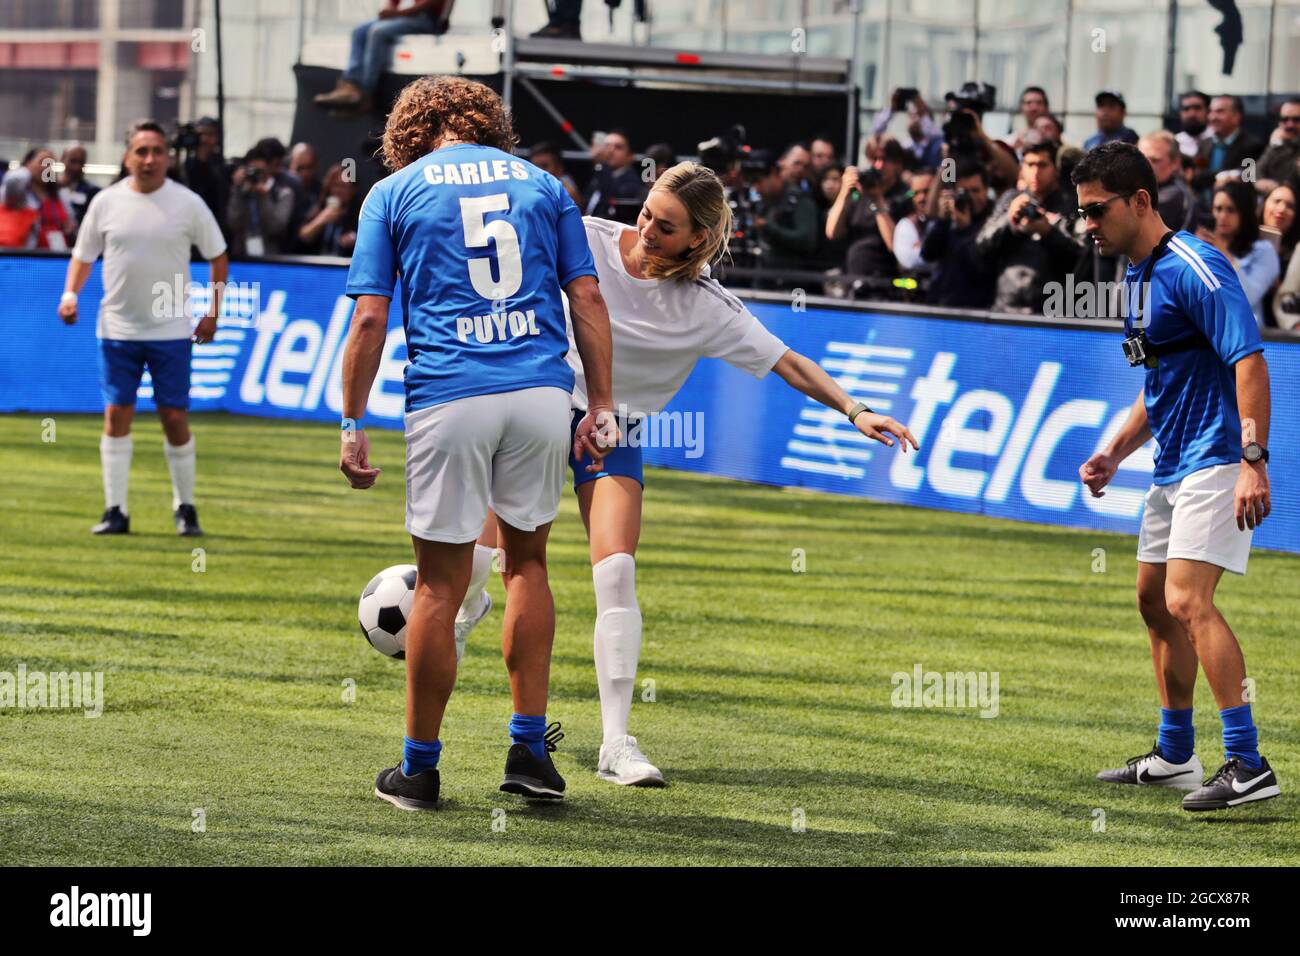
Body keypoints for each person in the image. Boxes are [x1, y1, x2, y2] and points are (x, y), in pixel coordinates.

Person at [456, 163, 918, 786]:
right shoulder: (586, 237)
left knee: (616, 572)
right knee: (479, 561)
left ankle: (616, 743)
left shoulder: (708, 307)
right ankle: (460, 615)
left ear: (699, 239)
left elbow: (789, 362)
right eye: (646, 213)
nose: (645, 229)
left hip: (617, 430)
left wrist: (856, 410)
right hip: (540, 408)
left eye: (665, 226)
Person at [337, 76, 617, 810]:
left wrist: (351, 419)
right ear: (490, 122)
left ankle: (419, 770)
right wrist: (604, 404)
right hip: (538, 390)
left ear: (409, 128)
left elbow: (370, 320)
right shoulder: (545, 185)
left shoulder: (392, 192)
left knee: (438, 585)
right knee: (528, 563)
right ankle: (529, 751)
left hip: (452, 391)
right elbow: (585, 296)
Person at [1075, 142, 1279, 813]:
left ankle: (1248, 764)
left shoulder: (1197, 264)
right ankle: (1174, 754)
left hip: (1219, 456)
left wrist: (1254, 461)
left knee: (1191, 602)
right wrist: (1115, 451)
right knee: (1153, 602)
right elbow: (1157, 383)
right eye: (1081, 213)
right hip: (1172, 462)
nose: (1087, 225)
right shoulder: (1134, 277)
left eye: (1096, 210)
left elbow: (1249, 361)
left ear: (1139, 201)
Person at [58, 120, 228, 537]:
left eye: (157, 151)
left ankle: (185, 508)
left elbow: (218, 256)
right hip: (117, 329)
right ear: (127, 156)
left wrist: (213, 312)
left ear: (168, 158)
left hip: (171, 330)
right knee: (117, 415)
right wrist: (70, 294)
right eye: (141, 151)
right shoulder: (106, 203)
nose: (149, 159)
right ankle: (116, 510)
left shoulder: (188, 203)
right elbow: (84, 255)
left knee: (173, 416)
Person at [975, 139, 1084, 313]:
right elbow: (981, 248)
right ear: (1021, 168)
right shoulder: (1010, 200)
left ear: (1055, 169)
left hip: (1051, 312)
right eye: (1030, 164)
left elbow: (1082, 258)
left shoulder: (1071, 205)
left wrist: (1049, 232)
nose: (1035, 172)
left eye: (1042, 165)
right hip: (1006, 309)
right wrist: (1009, 221)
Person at [314, 1, 451, 112]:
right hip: (406, 16)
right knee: (359, 31)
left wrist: (398, 13)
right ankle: (351, 85)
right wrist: (389, 11)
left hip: (427, 19)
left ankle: (365, 93)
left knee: (377, 32)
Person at [825, 135, 910, 280]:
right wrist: (844, 191)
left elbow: (896, 247)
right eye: (874, 159)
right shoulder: (859, 193)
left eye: (884, 160)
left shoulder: (905, 196)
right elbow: (832, 233)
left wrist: (878, 200)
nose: (879, 166)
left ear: (897, 163)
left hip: (886, 282)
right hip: (852, 279)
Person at [1198, 180, 1280, 328]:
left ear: (1244, 213)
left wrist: (1223, 253)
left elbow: (1248, 297)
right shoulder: (1201, 247)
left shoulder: (1264, 251)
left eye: (1231, 210)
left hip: (1244, 335)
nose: (1222, 216)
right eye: (1218, 209)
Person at [920, 158, 994, 308]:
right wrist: (942, 221)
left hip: (976, 311)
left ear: (986, 190)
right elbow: (927, 254)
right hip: (941, 305)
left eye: (975, 190)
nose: (970, 197)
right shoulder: (949, 219)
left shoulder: (995, 221)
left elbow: (982, 268)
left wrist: (966, 230)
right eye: (964, 192)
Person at [225, 145, 296, 258]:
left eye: (261, 171)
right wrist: (237, 190)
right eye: (253, 170)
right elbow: (233, 224)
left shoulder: (283, 193)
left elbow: (275, 227)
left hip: (272, 257)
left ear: (270, 169)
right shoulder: (240, 191)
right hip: (241, 255)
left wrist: (264, 196)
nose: (257, 175)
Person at [1193, 95, 1264, 198]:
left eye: (1219, 112)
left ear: (1236, 116)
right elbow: (1195, 177)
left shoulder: (1252, 146)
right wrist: (1222, 175)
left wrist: (1208, 176)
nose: (1212, 117)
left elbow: (1244, 179)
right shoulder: (1205, 144)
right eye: (1210, 112)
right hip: (1202, 210)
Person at [1138, 130, 1200, 232]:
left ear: (1175, 162)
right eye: (1141, 159)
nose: (1145, 166)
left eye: (1155, 160)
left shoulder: (1174, 195)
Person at [296, 163, 360, 256]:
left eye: (344, 186)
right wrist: (321, 220)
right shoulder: (319, 209)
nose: (339, 191)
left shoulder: (360, 214)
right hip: (317, 265)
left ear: (353, 189)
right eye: (336, 185)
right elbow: (302, 238)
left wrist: (355, 238)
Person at [583, 129, 645, 224]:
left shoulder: (631, 184)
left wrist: (602, 164)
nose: (610, 151)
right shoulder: (599, 175)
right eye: (607, 146)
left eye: (618, 147)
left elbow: (607, 205)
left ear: (630, 156)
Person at [1256, 97, 1300, 190]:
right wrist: (1276, 145)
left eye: (1296, 120)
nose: (1290, 124)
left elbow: (1292, 181)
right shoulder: (1278, 143)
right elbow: (1257, 172)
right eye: (1285, 119)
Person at [59, 144, 99, 236]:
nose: (76, 167)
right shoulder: (51, 190)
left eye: (81, 162)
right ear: (62, 160)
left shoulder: (93, 192)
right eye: (73, 161)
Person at [1175, 91, 1213, 159]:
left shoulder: (1218, 141)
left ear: (1208, 111)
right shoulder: (1175, 142)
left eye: (1197, 108)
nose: (1192, 114)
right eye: (1186, 109)